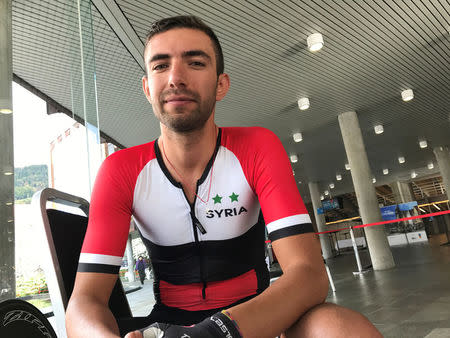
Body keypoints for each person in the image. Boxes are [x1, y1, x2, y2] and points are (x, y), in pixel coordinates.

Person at [66, 15, 382, 338]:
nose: (175, 77)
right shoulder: (121, 171)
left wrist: (213, 334)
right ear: (147, 88)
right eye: (161, 66)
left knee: (343, 330)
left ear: (221, 84)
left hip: (255, 324)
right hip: (166, 326)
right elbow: (83, 303)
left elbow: (310, 275)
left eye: (195, 63)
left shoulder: (257, 147)